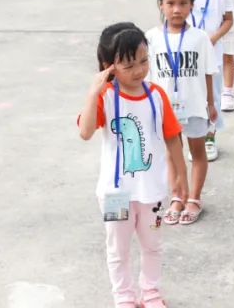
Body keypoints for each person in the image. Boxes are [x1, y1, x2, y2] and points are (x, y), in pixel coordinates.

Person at [78, 22, 186, 308]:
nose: (139, 70)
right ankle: (124, 297)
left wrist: (180, 177)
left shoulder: (156, 95)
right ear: (109, 67)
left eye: (143, 61)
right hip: (116, 194)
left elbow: (173, 138)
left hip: (152, 190)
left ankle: (150, 293)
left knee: (152, 245)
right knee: (119, 249)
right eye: (128, 65)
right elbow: (86, 131)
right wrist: (93, 92)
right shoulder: (106, 97)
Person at [145, 0, 220, 227]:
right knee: (171, 153)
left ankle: (194, 198)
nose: (176, 9)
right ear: (160, 5)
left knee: (197, 152)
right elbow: (147, 76)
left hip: (195, 106)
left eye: (183, 3)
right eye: (170, 3)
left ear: (191, 4)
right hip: (165, 109)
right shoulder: (151, 38)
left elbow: (209, 73)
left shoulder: (200, 38)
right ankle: (177, 196)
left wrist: (211, 103)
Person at [180, 0, 233, 161]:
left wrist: (212, 38)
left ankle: (210, 136)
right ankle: (193, 137)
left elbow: (229, 20)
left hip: (213, 56)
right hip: (187, 58)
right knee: (190, 96)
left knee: (213, 96)